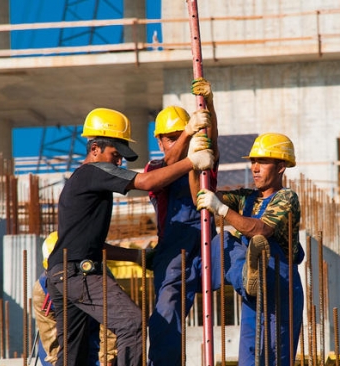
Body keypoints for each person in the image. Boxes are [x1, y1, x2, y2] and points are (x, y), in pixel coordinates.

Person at [46, 107, 214, 366]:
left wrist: (136, 256)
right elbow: (148, 181)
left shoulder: (83, 184)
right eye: (115, 155)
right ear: (95, 149)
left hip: (62, 274)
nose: (118, 163)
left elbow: (88, 244)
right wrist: (192, 161)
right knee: (132, 323)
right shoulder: (94, 172)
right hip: (79, 274)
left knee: (73, 356)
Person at [195, 132, 305, 366]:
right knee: (249, 357)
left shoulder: (286, 198)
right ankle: (245, 277)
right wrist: (195, 164)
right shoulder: (246, 198)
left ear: (281, 167)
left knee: (273, 357)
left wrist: (222, 210)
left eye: (262, 162)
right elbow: (200, 195)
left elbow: (261, 230)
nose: (255, 167)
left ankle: (247, 275)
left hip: (279, 288)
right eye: (253, 162)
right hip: (253, 292)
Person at [145, 78, 219, 365]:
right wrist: (189, 133)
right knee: (167, 308)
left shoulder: (203, 160)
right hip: (174, 253)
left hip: (208, 242)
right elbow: (168, 165)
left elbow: (213, 140)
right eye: (172, 137)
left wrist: (209, 106)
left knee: (240, 255)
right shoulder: (155, 169)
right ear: (160, 140)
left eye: (181, 134)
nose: (178, 141)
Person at [33, 231, 117, 366]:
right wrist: (58, 362)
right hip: (62, 336)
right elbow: (49, 335)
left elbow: (111, 321)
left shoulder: (99, 277)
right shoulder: (41, 291)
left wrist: (107, 357)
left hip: (94, 332)